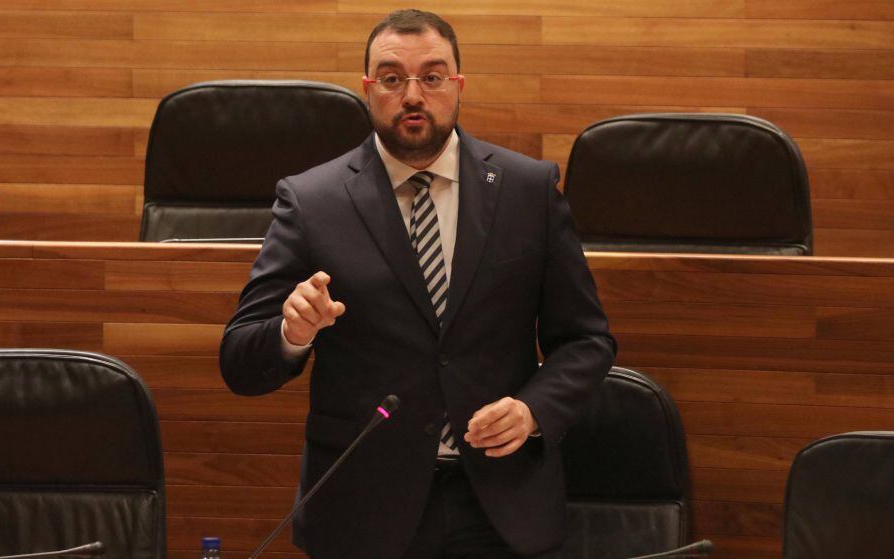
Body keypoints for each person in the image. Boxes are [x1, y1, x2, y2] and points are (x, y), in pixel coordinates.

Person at [220, 9, 615, 559]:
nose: (412, 95)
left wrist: (533, 411)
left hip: (502, 506)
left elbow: (586, 341)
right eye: (391, 78)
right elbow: (240, 361)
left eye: (431, 77)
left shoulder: (528, 190)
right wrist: (292, 332)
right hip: (363, 512)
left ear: (457, 85)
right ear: (367, 89)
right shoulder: (312, 201)